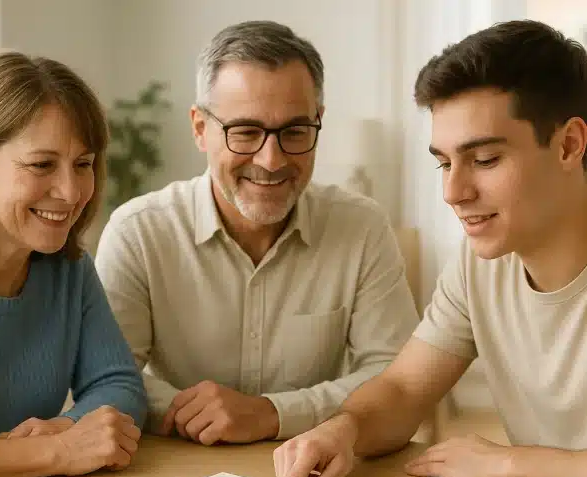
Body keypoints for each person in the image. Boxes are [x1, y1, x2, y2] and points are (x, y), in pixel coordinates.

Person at [268, 19, 587, 477]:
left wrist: (508, 463)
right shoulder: (480, 263)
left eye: (483, 159)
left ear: (569, 145)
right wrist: (342, 430)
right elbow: (403, 390)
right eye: (444, 163)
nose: (453, 193)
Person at [95, 21, 418, 444]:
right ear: (199, 129)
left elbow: (396, 377)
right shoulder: (138, 232)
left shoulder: (362, 229)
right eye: (245, 132)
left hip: (320, 471)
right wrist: (199, 415)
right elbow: (109, 377)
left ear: (318, 123)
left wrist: (271, 414)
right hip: (176, 470)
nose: (271, 159)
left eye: (294, 132)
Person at [0, 51, 147, 477]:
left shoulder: (69, 271)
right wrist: (59, 451)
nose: (71, 191)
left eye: (83, 164)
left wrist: (66, 426)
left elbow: (120, 386)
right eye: (42, 165)